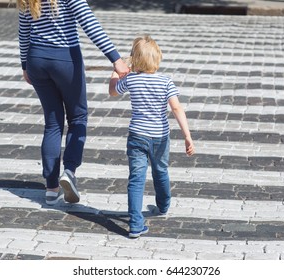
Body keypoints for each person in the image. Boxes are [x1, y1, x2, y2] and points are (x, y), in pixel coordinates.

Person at [16, 0, 130, 206]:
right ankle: (69, 171)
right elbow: (89, 22)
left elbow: (24, 31)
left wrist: (25, 63)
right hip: (65, 58)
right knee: (78, 117)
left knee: (52, 122)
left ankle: (51, 188)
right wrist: (115, 58)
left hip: (36, 59)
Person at [109, 35, 195, 238]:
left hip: (137, 135)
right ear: (157, 59)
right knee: (161, 171)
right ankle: (163, 205)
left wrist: (115, 73)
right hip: (160, 137)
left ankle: (136, 224)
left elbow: (113, 92)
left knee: (136, 179)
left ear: (134, 59)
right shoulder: (166, 82)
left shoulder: (131, 79)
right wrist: (187, 136)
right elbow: (176, 108)